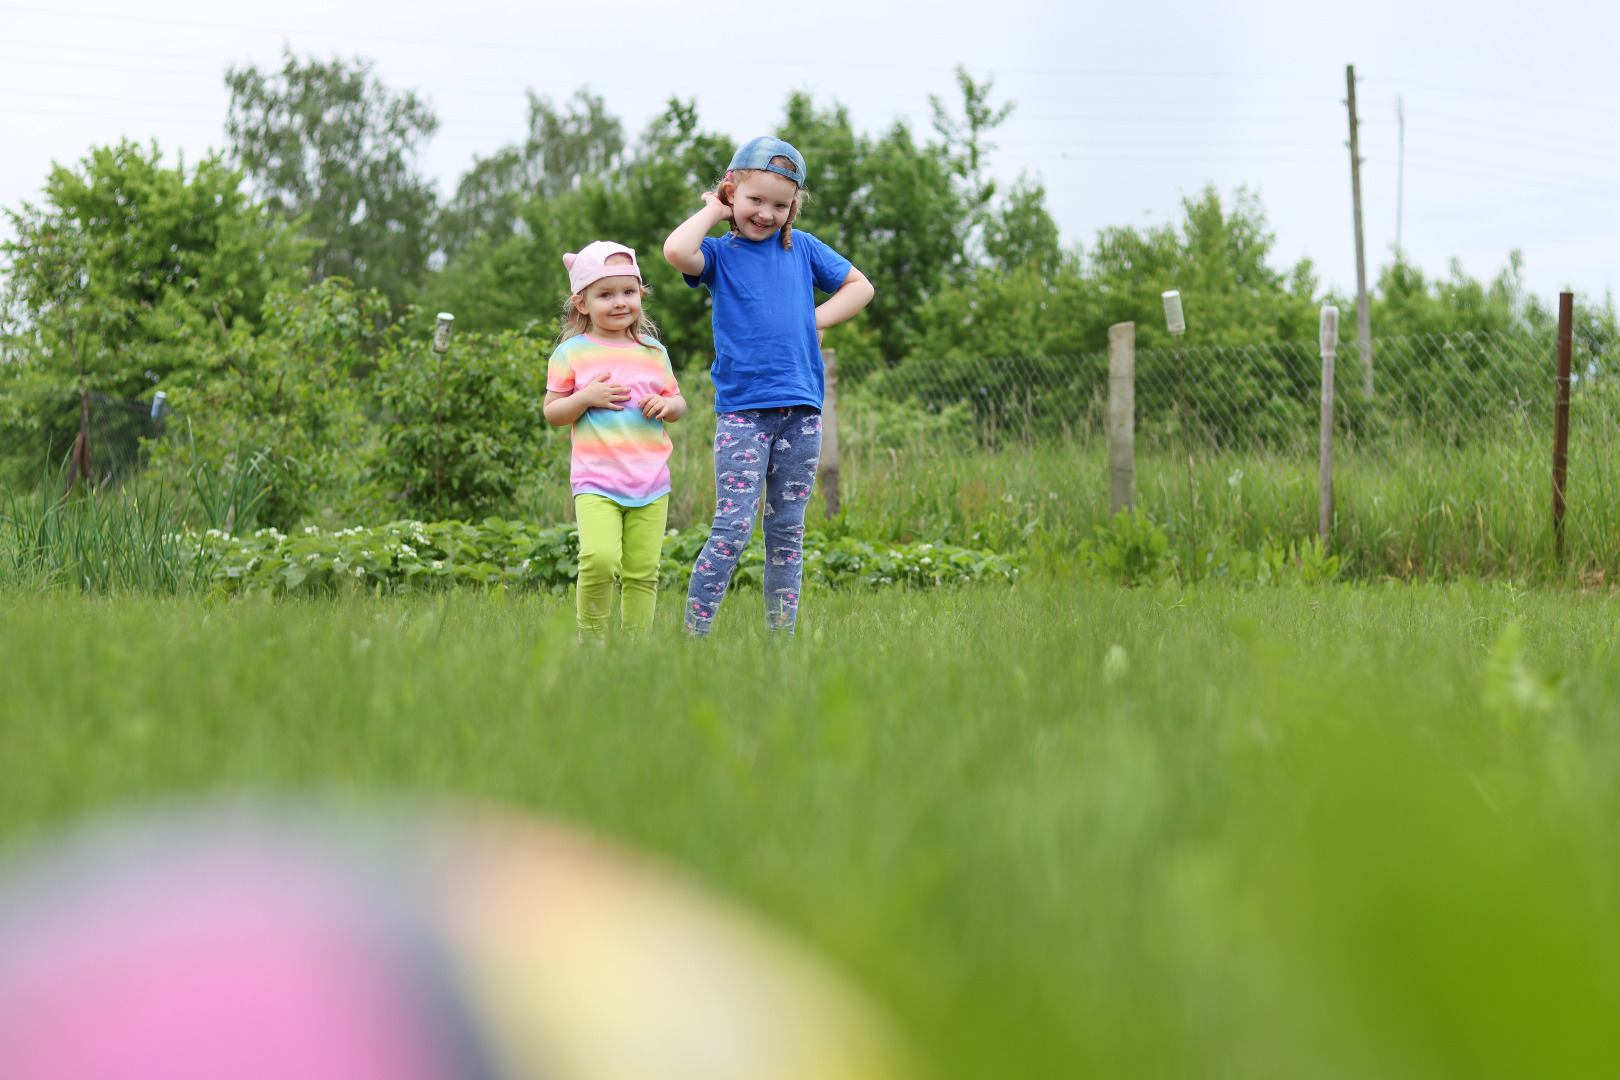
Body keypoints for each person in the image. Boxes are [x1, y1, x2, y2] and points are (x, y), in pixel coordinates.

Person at [662, 136, 874, 637]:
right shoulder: (718, 254)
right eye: (754, 199)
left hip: (802, 412)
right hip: (744, 413)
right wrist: (714, 211)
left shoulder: (802, 248)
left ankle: (780, 643)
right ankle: (693, 640)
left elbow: (860, 286)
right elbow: (676, 251)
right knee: (732, 529)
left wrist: (812, 319)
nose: (766, 213)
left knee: (786, 532)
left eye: (781, 205)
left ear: (793, 207)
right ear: (730, 193)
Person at [543, 241, 686, 639]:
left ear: (640, 293)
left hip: (651, 481)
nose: (619, 302)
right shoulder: (571, 353)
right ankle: (591, 638)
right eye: (606, 294)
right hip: (597, 481)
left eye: (628, 291)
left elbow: (678, 402)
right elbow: (553, 413)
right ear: (583, 303)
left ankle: (635, 649)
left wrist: (666, 404)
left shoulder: (654, 351)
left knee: (643, 571)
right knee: (600, 559)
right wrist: (585, 398)